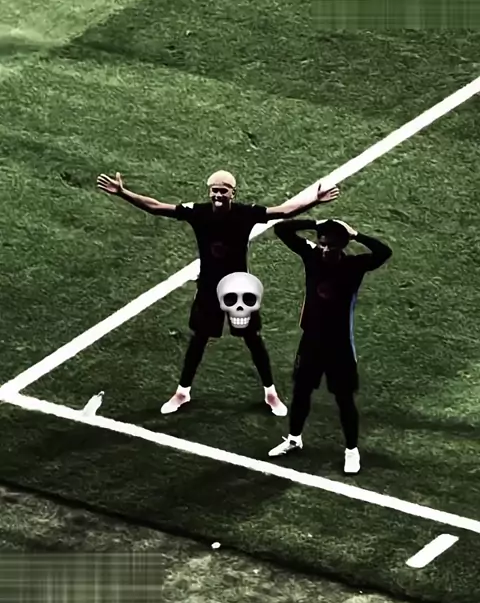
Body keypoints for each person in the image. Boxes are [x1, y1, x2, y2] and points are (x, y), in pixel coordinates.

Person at [96, 170, 340, 416]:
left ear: (233, 193)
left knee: (253, 339)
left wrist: (315, 200)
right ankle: (182, 392)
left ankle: (271, 394)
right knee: (199, 339)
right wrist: (123, 193)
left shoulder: (246, 213)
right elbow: (157, 207)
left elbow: (283, 212)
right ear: (209, 191)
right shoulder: (198, 212)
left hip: (238, 288)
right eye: (215, 190)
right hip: (208, 288)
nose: (218, 195)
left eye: (223, 190)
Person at [268, 217, 392, 473]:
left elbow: (384, 252)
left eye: (331, 246)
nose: (324, 249)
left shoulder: (354, 265)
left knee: (344, 400)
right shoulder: (312, 255)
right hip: (311, 341)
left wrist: (356, 234)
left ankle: (351, 451)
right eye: (322, 243)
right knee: (301, 392)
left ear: (342, 246)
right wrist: (317, 223)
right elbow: (282, 229)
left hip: (340, 346)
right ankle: (294, 439)